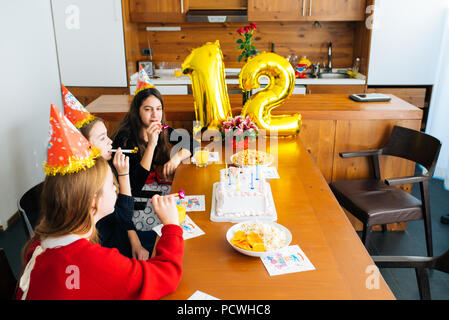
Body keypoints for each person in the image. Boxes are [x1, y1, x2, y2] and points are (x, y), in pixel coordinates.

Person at [17, 104, 183, 300]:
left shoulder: (39, 244)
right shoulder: (94, 261)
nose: (115, 188)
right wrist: (171, 225)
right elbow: (165, 276)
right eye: (109, 185)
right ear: (93, 201)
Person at [62, 84, 154, 259]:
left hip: (124, 239)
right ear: (85, 146)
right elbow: (124, 214)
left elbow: (124, 214)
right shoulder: (91, 183)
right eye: (103, 138)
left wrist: (135, 241)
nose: (111, 142)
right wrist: (124, 174)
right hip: (111, 252)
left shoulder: (105, 166)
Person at [112, 76, 198, 196]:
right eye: (148, 109)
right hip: (135, 197)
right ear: (137, 111)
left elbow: (193, 143)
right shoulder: (125, 139)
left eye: (158, 109)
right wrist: (151, 145)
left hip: (156, 187)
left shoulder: (163, 128)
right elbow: (135, 185)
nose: (155, 115)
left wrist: (176, 158)